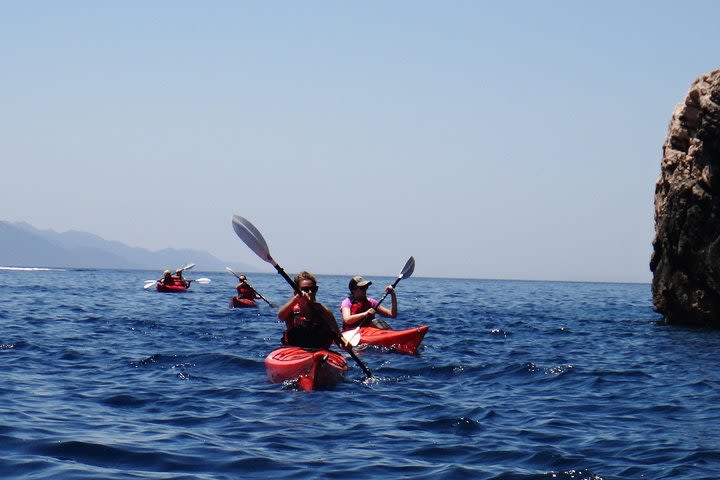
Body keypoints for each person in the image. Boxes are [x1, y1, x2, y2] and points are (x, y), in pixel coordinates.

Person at [277, 271, 343, 349]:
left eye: (313, 289)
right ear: (295, 292)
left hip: (319, 352)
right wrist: (296, 299)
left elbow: (339, 336)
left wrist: (343, 343)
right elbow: (281, 316)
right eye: (305, 289)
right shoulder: (290, 309)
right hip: (295, 351)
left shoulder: (323, 310)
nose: (310, 292)